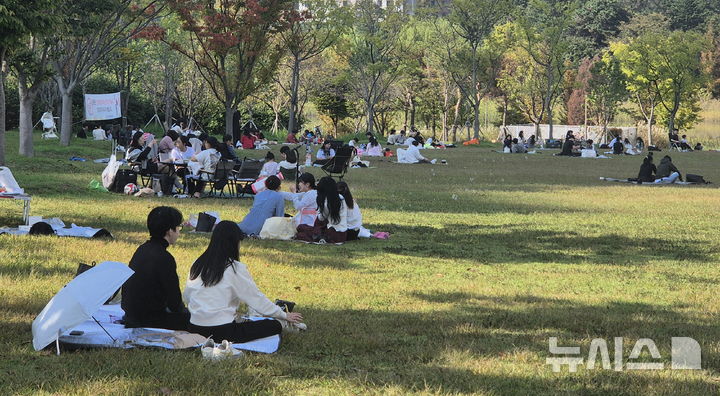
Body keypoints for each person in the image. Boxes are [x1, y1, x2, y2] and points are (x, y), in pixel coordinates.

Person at [184, 221, 305, 343]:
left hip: (194, 327)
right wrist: (283, 315)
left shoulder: (197, 263)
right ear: (234, 243)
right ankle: (284, 324)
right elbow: (256, 298)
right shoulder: (235, 268)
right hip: (222, 332)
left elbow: (188, 296)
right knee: (274, 325)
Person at [122, 206, 189, 330]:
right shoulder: (164, 258)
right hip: (150, 320)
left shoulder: (142, 249)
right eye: (179, 228)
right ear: (170, 231)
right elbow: (175, 303)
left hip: (131, 315)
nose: (179, 232)